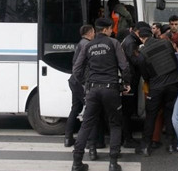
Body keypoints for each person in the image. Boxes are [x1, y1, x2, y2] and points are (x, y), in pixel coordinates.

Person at [72, 18, 131, 171]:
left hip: (92, 89)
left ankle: (77, 163)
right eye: (111, 29)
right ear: (106, 29)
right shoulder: (114, 43)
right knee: (115, 124)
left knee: (86, 124)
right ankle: (112, 163)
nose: (112, 31)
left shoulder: (88, 45)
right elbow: (124, 66)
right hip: (111, 89)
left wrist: (86, 83)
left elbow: (76, 70)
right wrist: (126, 83)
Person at [135, 26, 178, 156]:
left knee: (151, 116)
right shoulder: (166, 43)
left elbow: (145, 75)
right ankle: (171, 145)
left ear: (141, 37)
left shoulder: (143, 53)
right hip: (173, 84)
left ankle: (145, 147)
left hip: (156, 86)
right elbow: (173, 61)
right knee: (169, 114)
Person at [64, 25, 95, 148]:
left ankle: (68, 138)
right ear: (90, 33)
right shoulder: (87, 45)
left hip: (73, 81)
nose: (95, 34)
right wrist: (84, 82)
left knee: (75, 108)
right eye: (93, 32)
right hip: (80, 82)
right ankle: (89, 142)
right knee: (90, 110)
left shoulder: (80, 43)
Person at [120, 21, 150, 148]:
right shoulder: (131, 43)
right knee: (127, 111)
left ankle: (126, 137)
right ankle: (127, 139)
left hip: (130, 79)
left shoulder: (130, 40)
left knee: (127, 110)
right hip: (129, 80)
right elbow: (136, 60)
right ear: (138, 32)